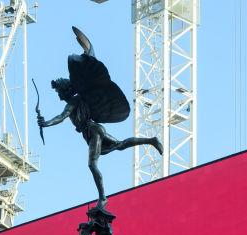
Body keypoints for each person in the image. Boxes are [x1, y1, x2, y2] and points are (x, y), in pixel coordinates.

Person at [37, 27, 162, 210]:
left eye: (59, 92)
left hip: (93, 130)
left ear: (65, 91)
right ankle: (151, 140)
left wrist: (45, 123)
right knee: (119, 145)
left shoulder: (73, 102)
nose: (59, 96)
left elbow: (61, 117)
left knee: (92, 164)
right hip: (95, 129)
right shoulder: (79, 99)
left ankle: (102, 198)